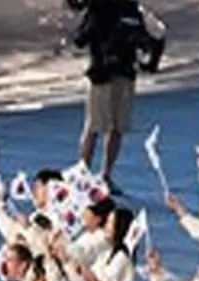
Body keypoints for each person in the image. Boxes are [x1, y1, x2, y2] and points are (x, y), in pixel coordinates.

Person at [68, 0, 163, 187]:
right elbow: (148, 40)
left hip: (109, 72)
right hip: (115, 73)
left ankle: (93, 174)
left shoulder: (111, 7)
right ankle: (96, 175)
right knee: (105, 127)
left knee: (104, 126)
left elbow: (80, 39)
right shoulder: (125, 8)